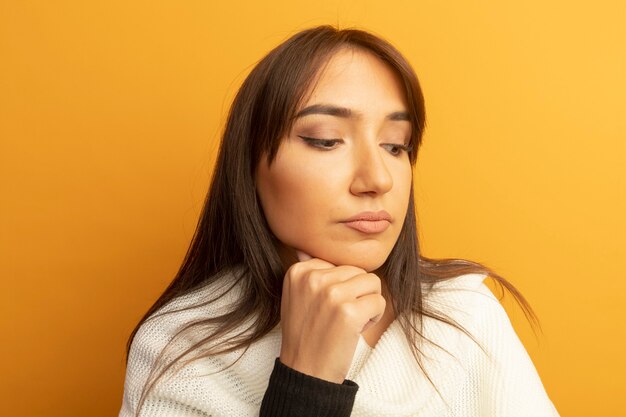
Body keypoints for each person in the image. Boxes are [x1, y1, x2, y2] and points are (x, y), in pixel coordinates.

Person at [118, 26, 560, 417]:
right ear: (250, 165)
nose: (377, 179)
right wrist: (305, 382)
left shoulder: (464, 316)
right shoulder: (182, 349)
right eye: (326, 140)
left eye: (395, 146)